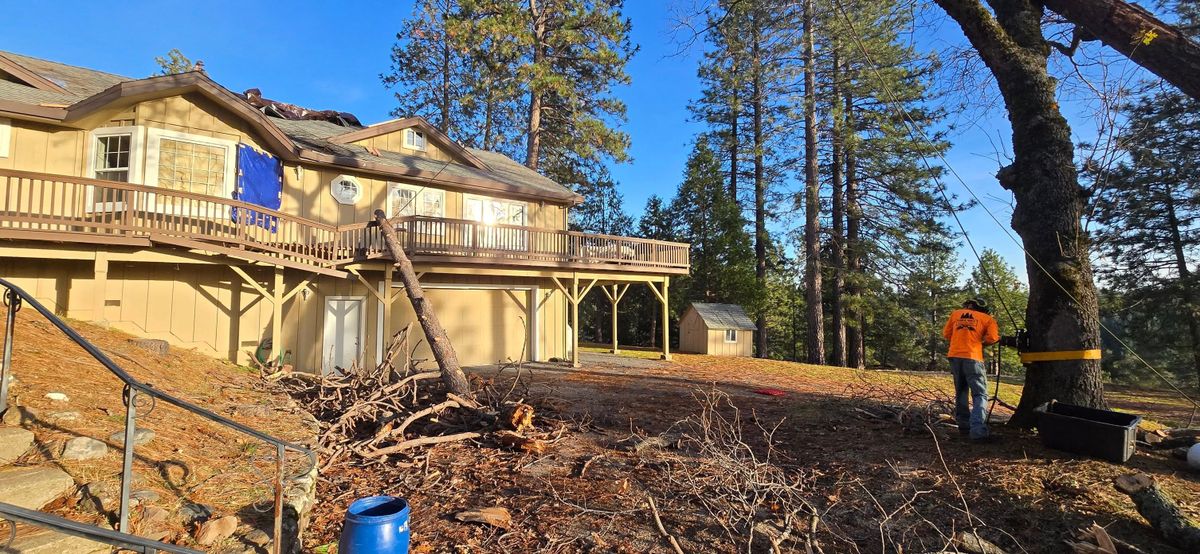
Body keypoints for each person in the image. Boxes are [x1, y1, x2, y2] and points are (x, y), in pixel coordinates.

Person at [942, 297, 1000, 441]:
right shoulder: (987, 318)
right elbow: (993, 338)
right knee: (980, 394)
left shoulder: (955, 314)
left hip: (954, 356)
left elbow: (946, 334)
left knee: (961, 391)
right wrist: (980, 342)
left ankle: (964, 427)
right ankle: (977, 431)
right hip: (973, 357)